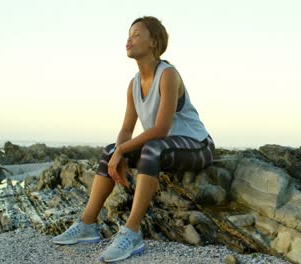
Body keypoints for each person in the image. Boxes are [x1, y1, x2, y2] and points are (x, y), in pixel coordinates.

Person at [51, 16, 215, 263]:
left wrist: (124, 150)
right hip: (164, 146)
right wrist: (119, 151)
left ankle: (132, 231)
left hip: (198, 146)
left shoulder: (168, 75)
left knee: (151, 148)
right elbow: (126, 130)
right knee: (109, 150)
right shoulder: (133, 84)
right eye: (129, 34)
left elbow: (160, 129)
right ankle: (87, 225)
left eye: (137, 34)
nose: (129, 39)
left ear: (154, 42)